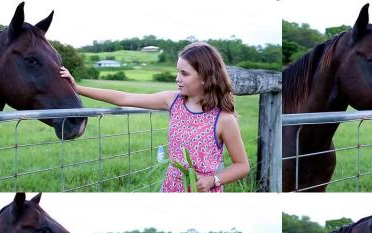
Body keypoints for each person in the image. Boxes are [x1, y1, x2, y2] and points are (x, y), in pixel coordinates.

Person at [60, 42, 249, 192]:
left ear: (205, 77)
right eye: (177, 71)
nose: (177, 78)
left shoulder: (224, 119)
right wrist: (77, 88)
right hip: (170, 189)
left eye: (184, 73)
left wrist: (213, 180)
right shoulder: (173, 100)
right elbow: (124, 97)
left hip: (202, 194)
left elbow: (242, 165)